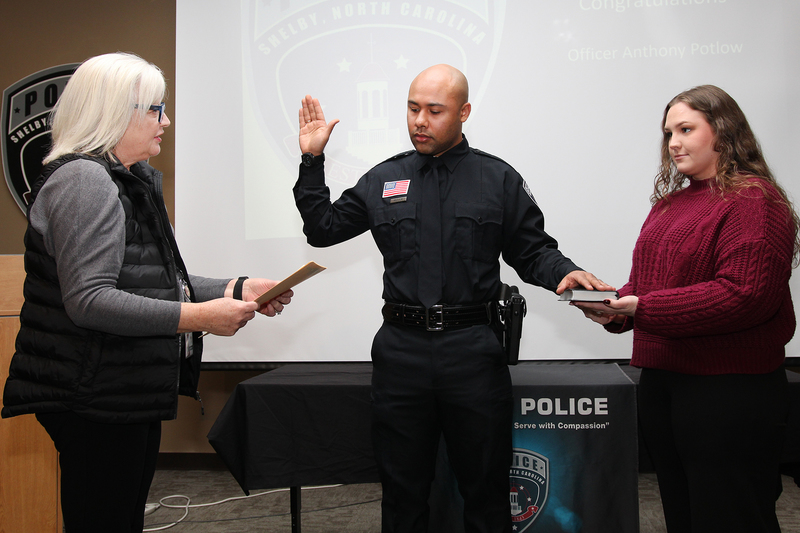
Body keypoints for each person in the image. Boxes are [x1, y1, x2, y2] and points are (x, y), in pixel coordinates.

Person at [293, 64, 612, 533]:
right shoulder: (384, 179)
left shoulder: (497, 179)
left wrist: (567, 273)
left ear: (463, 112)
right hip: (401, 352)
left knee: (484, 493)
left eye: (434, 110)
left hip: (472, 352)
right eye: (412, 108)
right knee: (402, 494)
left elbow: (533, 250)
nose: (419, 120)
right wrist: (311, 161)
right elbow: (322, 230)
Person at [1, 52, 292, 533]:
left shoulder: (121, 179)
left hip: (119, 389)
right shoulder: (86, 181)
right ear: (115, 113)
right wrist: (200, 318)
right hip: (93, 394)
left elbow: (154, 279)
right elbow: (91, 300)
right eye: (156, 109)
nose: (167, 121)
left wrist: (238, 288)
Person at [573, 85, 798, 533]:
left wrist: (643, 308)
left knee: (731, 517)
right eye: (668, 132)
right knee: (683, 514)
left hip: (729, 392)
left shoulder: (755, 200)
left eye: (686, 129)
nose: (673, 142)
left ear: (725, 132)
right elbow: (650, 287)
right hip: (665, 384)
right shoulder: (670, 204)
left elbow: (744, 296)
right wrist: (614, 307)